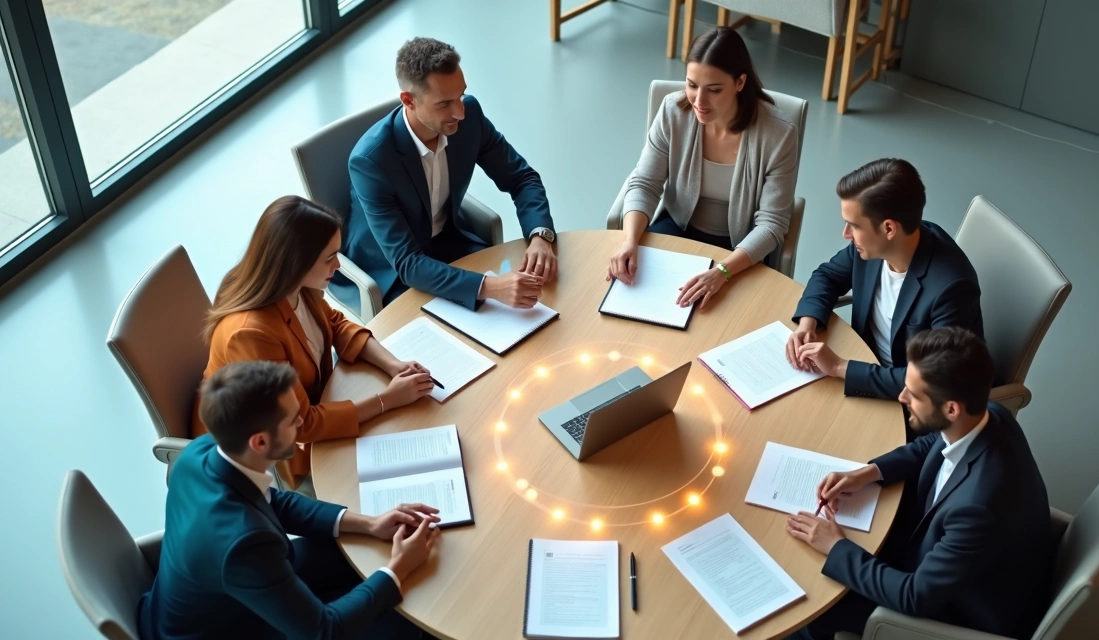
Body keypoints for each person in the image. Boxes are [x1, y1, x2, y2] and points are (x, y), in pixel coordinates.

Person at [140, 361, 441, 639]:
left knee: (353, 552)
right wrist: (399, 567)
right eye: (292, 420)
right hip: (229, 630)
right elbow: (325, 631)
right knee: (411, 621)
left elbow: (274, 501)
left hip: (222, 593)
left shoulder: (200, 453)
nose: (301, 421)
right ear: (259, 442)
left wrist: (370, 523)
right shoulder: (245, 544)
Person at [786, 328, 1053, 640]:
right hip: (948, 552)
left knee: (813, 609)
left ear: (951, 408)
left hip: (960, 610)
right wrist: (869, 472)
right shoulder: (989, 413)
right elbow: (933, 442)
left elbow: (914, 597)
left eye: (912, 394)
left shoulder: (978, 508)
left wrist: (836, 546)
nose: (901, 397)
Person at [194, 195, 435, 480]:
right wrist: (387, 400)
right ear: (296, 262)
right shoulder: (251, 332)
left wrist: (393, 365)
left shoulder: (296, 284)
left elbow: (334, 323)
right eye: (330, 258)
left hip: (313, 408)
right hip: (264, 453)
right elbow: (301, 425)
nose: (338, 266)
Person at [339, 36, 557, 312]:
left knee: (539, 304)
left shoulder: (470, 117)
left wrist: (540, 236)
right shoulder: (371, 162)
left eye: (461, 95)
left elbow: (521, 178)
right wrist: (491, 288)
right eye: (444, 104)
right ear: (409, 100)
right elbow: (407, 262)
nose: (460, 112)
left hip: (449, 243)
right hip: (391, 273)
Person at [607, 27, 799, 310]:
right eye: (692, 85)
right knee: (633, 302)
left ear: (740, 83)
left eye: (714, 90)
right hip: (678, 227)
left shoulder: (779, 133)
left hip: (741, 246)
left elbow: (772, 223)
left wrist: (723, 271)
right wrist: (630, 239)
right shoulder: (673, 111)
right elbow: (645, 183)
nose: (699, 101)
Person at [785, 159, 982, 400]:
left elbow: (933, 380)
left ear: (889, 229)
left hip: (911, 402)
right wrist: (808, 324)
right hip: (866, 363)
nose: (845, 234)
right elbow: (827, 276)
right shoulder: (874, 247)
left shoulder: (952, 288)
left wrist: (839, 367)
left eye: (853, 225)